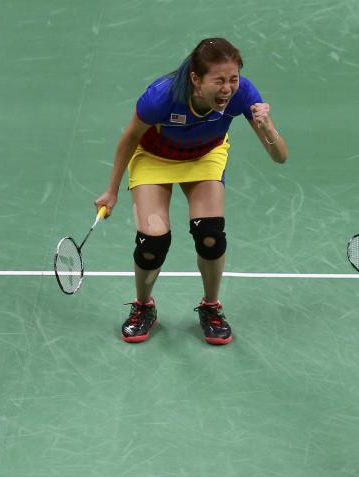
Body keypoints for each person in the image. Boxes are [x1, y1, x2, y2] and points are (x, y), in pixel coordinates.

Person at [94, 37, 287, 345]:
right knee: (152, 243)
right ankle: (143, 306)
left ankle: (211, 307)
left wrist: (267, 127)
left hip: (204, 157)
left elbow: (280, 157)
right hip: (155, 157)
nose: (227, 89)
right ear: (196, 79)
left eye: (233, 79)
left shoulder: (243, 94)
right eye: (219, 81)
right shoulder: (161, 97)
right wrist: (112, 191)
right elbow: (129, 138)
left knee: (210, 235)